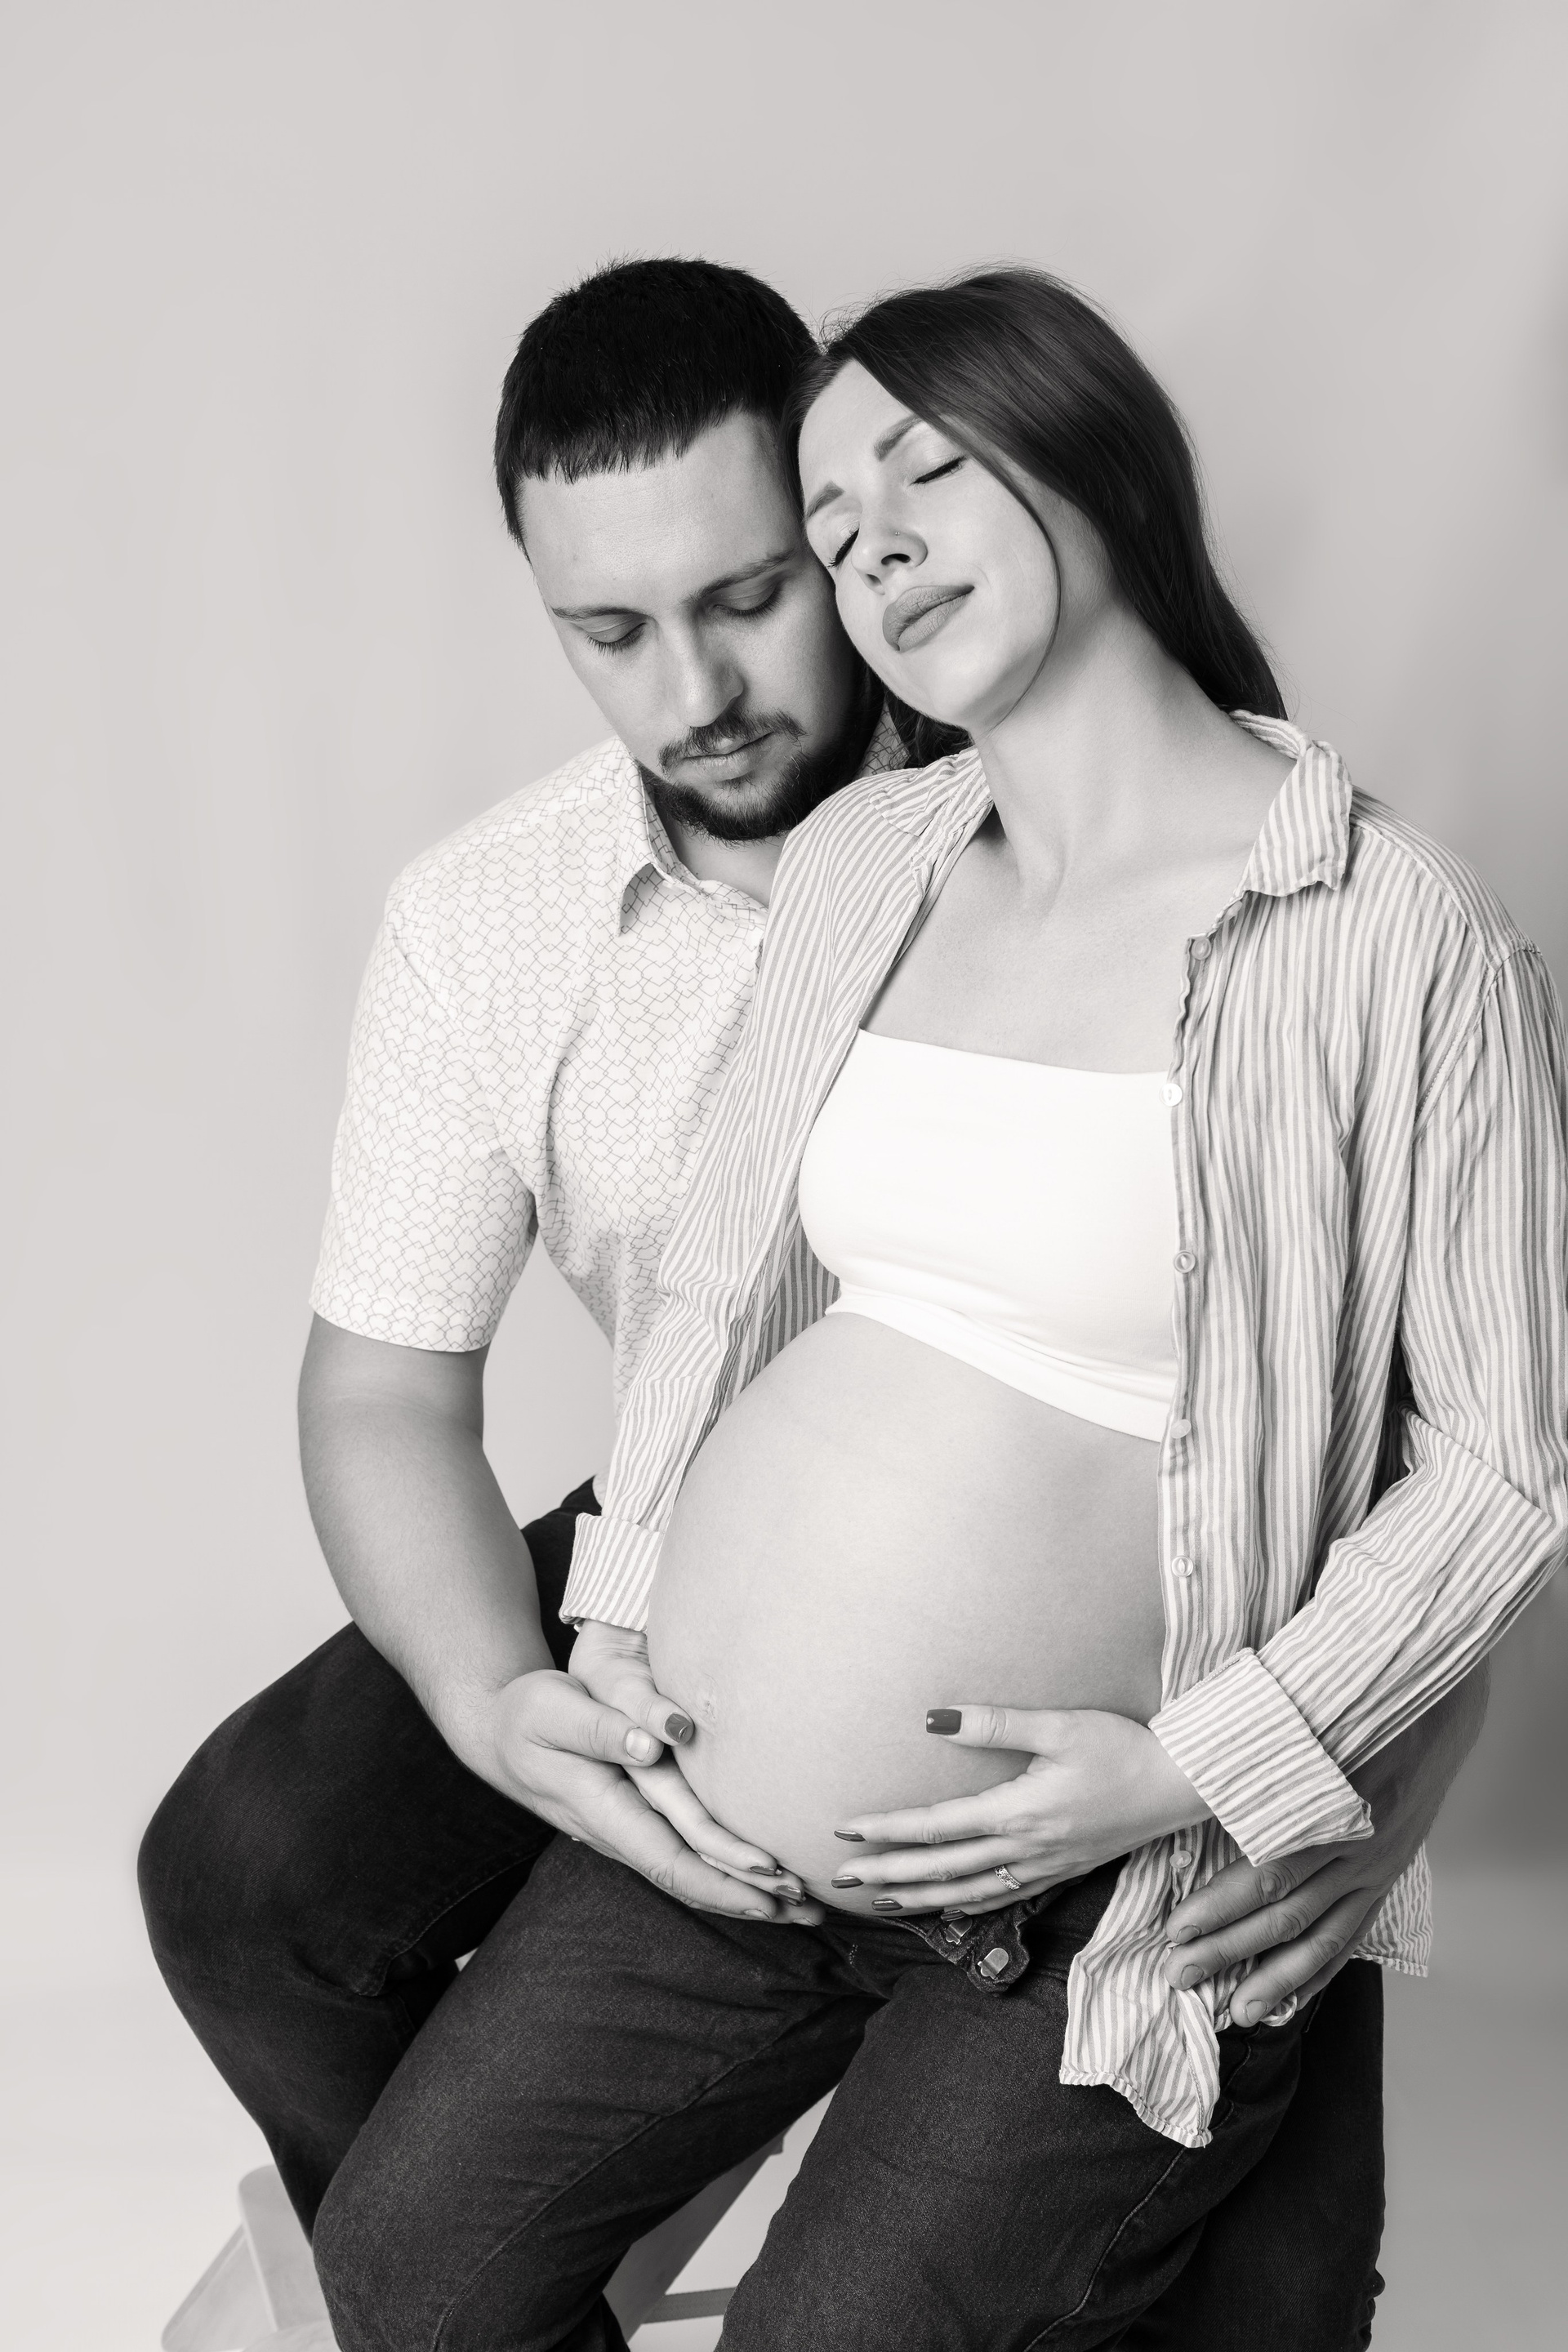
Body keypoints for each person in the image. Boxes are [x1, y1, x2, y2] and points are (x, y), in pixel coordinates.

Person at [140, 259, 1486, 2334]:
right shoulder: (538, 912)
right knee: (268, 1921)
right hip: (699, 1619)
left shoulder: (1260, 879)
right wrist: (528, 1682)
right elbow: (462, 1371)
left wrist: (1324, 1776)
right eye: (608, 631)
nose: (697, 686)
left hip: (1164, 1672)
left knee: (1261, 2292)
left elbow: (1441, 1442)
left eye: (760, 588)